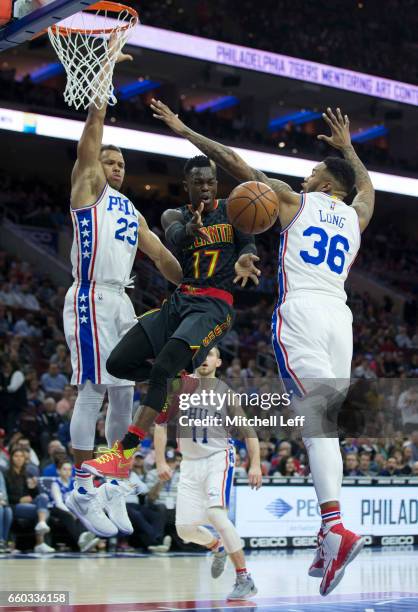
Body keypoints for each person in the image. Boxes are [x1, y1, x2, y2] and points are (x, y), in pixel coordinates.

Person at [150, 100, 375, 596]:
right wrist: (350, 150)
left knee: (319, 427)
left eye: (314, 171)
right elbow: (368, 189)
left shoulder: (296, 202)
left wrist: (185, 129)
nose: (307, 174)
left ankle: (334, 529)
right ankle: (328, 531)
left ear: (325, 186)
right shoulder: (356, 216)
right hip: (342, 320)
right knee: (326, 426)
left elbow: (234, 162)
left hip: (304, 315)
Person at [62, 39, 183, 539]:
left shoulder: (131, 211)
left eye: (121, 166)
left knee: (122, 392)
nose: (116, 169)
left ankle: (109, 481)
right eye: (110, 163)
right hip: (90, 294)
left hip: (121, 300)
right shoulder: (87, 188)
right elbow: (92, 132)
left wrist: (197, 282)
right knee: (93, 388)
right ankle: (80, 485)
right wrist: (103, 73)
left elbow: (160, 257)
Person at [83, 155, 260, 478]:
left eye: (210, 182)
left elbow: (248, 244)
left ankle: (124, 453)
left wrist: (247, 258)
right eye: (198, 183)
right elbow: (175, 237)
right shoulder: (173, 215)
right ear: (187, 185)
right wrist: (190, 229)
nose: (205, 188)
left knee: (163, 367)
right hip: (179, 303)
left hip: (214, 307)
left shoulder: (234, 211)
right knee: (117, 364)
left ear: (216, 184)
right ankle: (172, 382)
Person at [154, 347, 262, 600]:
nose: (204, 359)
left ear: (219, 361)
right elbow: (159, 425)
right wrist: (160, 460)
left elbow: (249, 432)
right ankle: (218, 547)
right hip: (189, 463)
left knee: (215, 514)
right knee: (184, 530)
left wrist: (255, 464)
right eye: (200, 354)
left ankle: (244, 577)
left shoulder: (226, 393)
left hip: (218, 458)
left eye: (210, 354)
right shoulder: (180, 388)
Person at [5, 448, 54, 554]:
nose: (19, 459)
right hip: (14, 505)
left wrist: (33, 488)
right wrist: (19, 499)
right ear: (11, 458)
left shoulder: (26, 473)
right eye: (16, 456)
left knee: (43, 497)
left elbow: (34, 495)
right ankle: (40, 543)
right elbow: (5, 495)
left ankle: (41, 523)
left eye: (21, 456)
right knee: (43, 512)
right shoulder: (6, 474)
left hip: (29, 503)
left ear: (25, 459)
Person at [49, 460, 99, 552]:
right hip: (57, 509)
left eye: (69, 469)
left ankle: (86, 539)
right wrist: (72, 512)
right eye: (64, 469)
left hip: (71, 508)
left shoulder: (74, 482)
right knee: (69, 516)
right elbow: (59, 503)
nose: (67, 471)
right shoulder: (55, 483)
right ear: (58, 471)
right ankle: (82, 543)